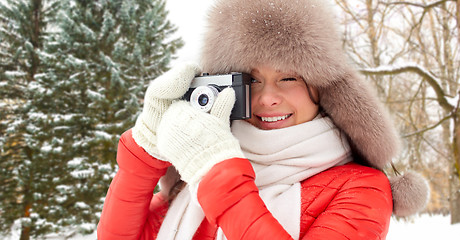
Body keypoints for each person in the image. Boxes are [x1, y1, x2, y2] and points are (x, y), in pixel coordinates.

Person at [97, 0, 429, 239]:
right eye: (251, 80)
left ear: (322, 89)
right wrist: (145, 150)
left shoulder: (361, 188)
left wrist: (218, 171)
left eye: (289, 78)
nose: (267, 97)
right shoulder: (197, 179)